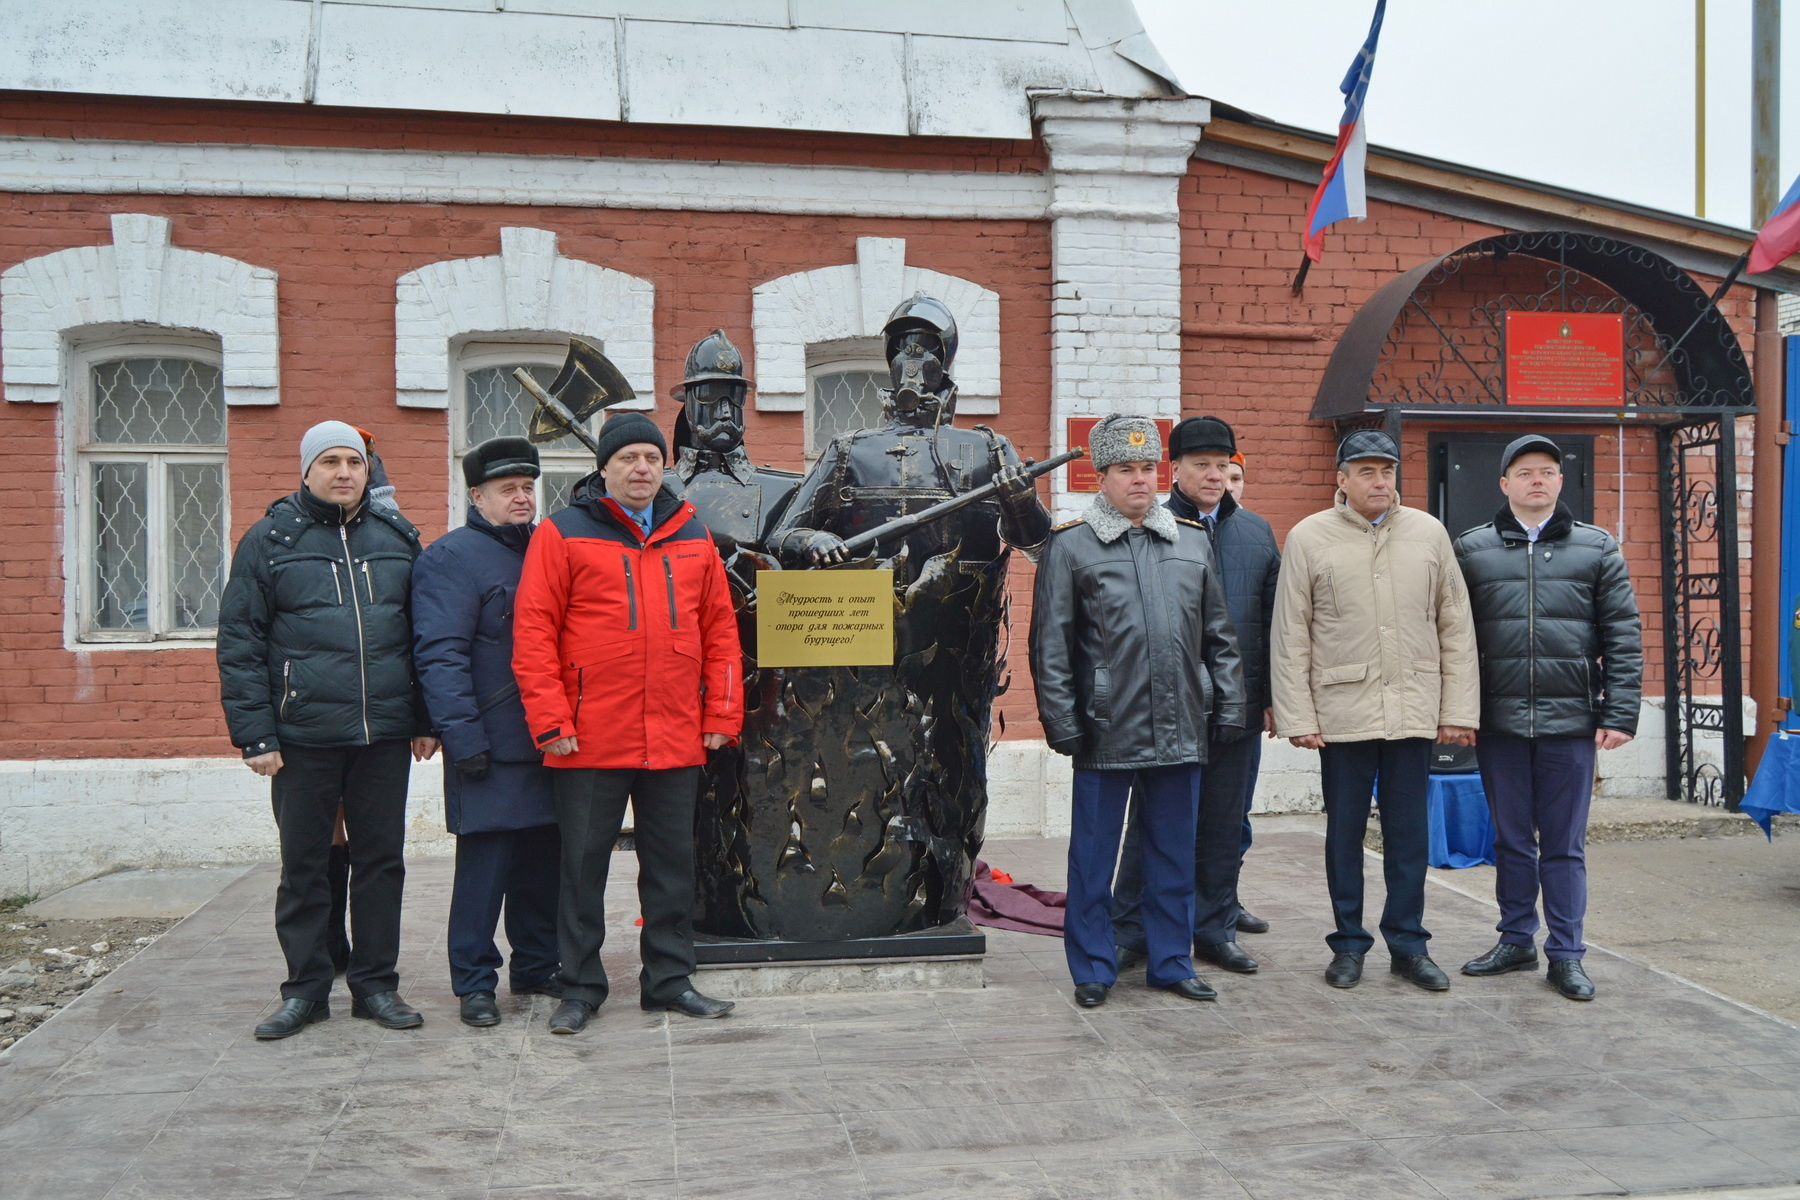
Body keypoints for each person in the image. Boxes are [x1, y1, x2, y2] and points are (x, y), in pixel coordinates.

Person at [512, 411, 744, 1034]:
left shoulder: (692, 534)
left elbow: (720, 630)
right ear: (604, 467)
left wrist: (721, 711)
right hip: (588, 735)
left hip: (673, 733)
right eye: (627, 459)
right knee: (581, 870)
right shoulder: (561, 534)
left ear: (664, 465)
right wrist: (551, 720)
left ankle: (668, 980)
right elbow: (533, 633)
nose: (641, 469)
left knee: (672, 867)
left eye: (651, 458)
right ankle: (579, 987)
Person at [217, 420, 437, 1039]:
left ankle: (375, 987)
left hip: (384, 734)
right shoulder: (270, 540)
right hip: (303, 736)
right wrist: (256, 735)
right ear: (307, 470)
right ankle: (306, 991)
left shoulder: (397, 537)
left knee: (380, 864)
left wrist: (423, 718)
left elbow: (421, 635)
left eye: (355, 462)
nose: (344, 472)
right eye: (331, 461)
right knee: (305, 867)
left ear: (369, 471)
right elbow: (240, 641)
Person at [1030, 414, 1246, 1008]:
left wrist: (1227, 703)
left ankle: (1172, 962)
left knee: (1175, 854)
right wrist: (1063, 720)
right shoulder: (1071, 546)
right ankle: (1094, 967)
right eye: (1126, 469)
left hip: (1181, 724)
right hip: (1106, 727)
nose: (1140, 480)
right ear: (1100, 476)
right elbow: (1050, 645)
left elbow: (1219, 637)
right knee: (1094, 858)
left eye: (1148, 468)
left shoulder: (1191, 541)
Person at [1270, 429, 1477, 991]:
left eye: (1386, 470)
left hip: (1413, 710)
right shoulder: (1310, 537)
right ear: (1341, 480)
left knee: (1410, 835)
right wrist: (1299, 717)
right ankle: (1348, 945)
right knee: (1344, 834)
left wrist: (1458, 709)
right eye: (1365, 471)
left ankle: (1409, 944)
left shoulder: (1429, 534)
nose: (1379, 480)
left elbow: (1455, 625)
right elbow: (1291, 632)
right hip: (1342, 714)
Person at [1453, 434, 1642, 1001]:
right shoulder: (1471, 549)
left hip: (1572, 721)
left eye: (1548, 471)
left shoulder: (1597, 548)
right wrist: (1459, 711)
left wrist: (1620, 713)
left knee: (1564, 844)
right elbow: (1453, 638)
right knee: (1511, 841)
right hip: (1500, 721)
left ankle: (1566, 953)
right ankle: (1515, 939)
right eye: (1525, 471)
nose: (1538, 480)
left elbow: (1623, 636)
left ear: (1561, 482)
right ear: (1505, 483)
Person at [1112, 416, 1279, 974]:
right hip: (1166, 703)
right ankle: (1131, 928)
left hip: (1238, 705)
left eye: (1223, 465)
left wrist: (1271, 698)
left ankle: (1214, 928)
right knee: (1153, 823)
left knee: (1224, 824)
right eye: (1201, 464)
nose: (1214, 474)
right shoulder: (1147, 528)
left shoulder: (1255, 533)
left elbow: (1272, 622)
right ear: (1174, 470)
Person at [412, 437, 563, 1027]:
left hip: (551, 737)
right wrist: (464, 737)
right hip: (491, 741)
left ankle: (536, 963)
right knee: (485, 868)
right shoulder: (451, 558)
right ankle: (474, 981)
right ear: (477, 496)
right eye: (508, 490)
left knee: (542, 861)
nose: (521, 498)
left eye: (528, 487)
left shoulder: (548, 549)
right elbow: (441, 654)